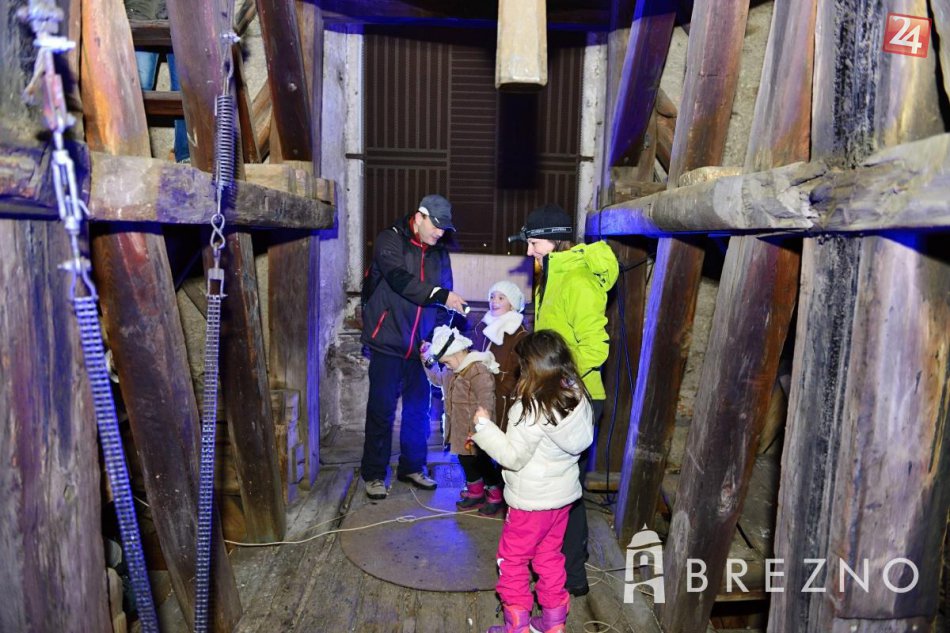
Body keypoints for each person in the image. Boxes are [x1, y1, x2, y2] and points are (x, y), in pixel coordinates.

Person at [508, 203, 618, 596]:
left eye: (534, 243)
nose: (529, 252)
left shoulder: (578, 282)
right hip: (556, 392)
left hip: (577, 396)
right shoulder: (552, 275)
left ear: (555, 241)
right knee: (555, 487)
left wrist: (558, 382)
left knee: (567, 493)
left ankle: (573, 576)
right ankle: (552, 564)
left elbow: (596, 347)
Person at [470, 330, 594, 633]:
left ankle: (517, 627)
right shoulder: (576, 395)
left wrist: (484, 427)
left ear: (532, 367)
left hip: (530, 504)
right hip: (561, 500)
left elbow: (512, 457)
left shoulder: (529, 409)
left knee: (512, 561)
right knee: (549, 557)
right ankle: (553, 623)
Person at [360, 194, 467, 500]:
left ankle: (412, 466)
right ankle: (374, 473)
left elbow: (443, 295)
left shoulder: (438, 253)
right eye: (436, 226)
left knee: (419, 411)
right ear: (419, 217)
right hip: (388, 341)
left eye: (445, 228)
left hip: (420, 346)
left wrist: (434, 338)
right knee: (381, 410)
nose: (440, 233)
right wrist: (441, 295)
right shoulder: (390, 241)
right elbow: (400, 281)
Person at [420, 326, 501, 514]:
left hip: (476, 430)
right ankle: (475, 492)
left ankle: (495, 495)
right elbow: (437, 379)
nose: (447, 366)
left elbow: (486, 397)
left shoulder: (477, 370)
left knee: (482, 462)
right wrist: (427, 361)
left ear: (457, 352)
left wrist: (483, 424)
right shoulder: (452, 370)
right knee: (465, 461)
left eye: (447, 362)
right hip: (459, 429)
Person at [470, 280, 529, 515]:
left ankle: (501, 496)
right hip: (485, 394)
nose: (494, 301)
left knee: (500, 448)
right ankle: (489, 489)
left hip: (503, 399)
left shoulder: (519, 334)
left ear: (512, 304)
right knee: (480, 445)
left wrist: (503, 388)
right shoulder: (486, 327)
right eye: (492, 296)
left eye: (501, 298)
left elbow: (519, 369)